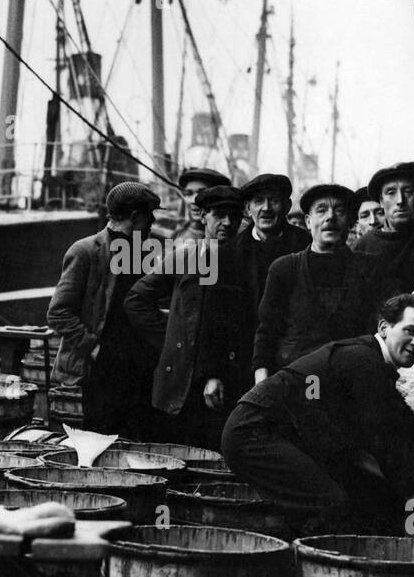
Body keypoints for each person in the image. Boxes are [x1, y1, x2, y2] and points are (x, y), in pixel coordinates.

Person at [220, 293, 414, 534]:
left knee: (357, 497)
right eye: (410, 331)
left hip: (276, 433)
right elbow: (385, 442)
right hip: (253, 434)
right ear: (384, 328)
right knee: (332, 503)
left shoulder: (370, 359)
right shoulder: (363, 361)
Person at [124, 185, 243, 447]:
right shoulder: (185, 256)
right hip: (180, 383)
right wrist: (169, 339)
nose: (228, 222)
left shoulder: (245, 263)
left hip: (226, 382)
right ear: (203, 216)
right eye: (220, 214)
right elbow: (137, 299)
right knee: (174, 451)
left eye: (235, 215)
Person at [47, 180, 161, 438]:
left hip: (139, 370)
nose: (152, 222)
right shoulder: (86, 251)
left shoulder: (145, 253)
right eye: (148, 216)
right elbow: (58, 312)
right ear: (134, 217)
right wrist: (95, 348)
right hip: (99, 373)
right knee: (100, 441)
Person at [252, 183, 390, 376]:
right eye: (321, 210)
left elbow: (388, 326)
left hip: (353, 380)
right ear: (308, 221)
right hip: (301, 381)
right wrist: (261, 378)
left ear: (350, 222)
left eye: (339, 211)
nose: (330, 217)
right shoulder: (285, 269)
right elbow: (267, 331)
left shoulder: (370, 269)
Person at [198, 173, 310, 406]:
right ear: (248, 209)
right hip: (238, 366)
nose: (266, 208)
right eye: (259, 201)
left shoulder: (307, 247)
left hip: (294, 365)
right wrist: (212, 374)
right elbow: (212, 319)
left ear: (288, 206)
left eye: (274, 200)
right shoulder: (227, 255)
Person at [352, 161, 414, 289]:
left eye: (408, 191)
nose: (400, 200)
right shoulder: (363, 246)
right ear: (381, 201)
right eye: (391, 193)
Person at [174, 167, 231, 242]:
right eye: (189, 193)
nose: (194, 200)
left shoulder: (231, 238)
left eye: (202, 193)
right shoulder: (180, 232)